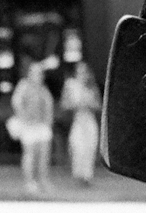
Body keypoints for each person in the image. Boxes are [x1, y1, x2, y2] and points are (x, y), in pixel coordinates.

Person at [9, 61, 54, 196]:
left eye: (40, 73)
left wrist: (48, 122)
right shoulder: (24, 86)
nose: (38, 75)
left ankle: (43, 180)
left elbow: (48, 106)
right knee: (30, 154)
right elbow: (16, 102)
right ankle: (29, 182)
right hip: (29, 126)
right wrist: (23, 117)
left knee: (44, 155)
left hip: (41, 125)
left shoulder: (43, 89)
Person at [61, 62, 101, 184]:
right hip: (78, 118)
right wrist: (76, 105)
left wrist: (90, 104)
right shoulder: (71, 85)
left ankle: (87, 176)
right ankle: (78, 174)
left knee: (90, 146)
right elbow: (64, 104)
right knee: (78, 146)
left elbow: (99, 105)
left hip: (89, 119)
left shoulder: (91, 87)